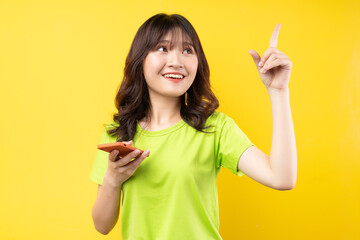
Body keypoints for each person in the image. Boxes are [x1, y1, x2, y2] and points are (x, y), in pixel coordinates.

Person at [90, 13, 297, 239]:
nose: (177, 61)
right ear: (140, 60)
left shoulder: (215, 128)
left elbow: (282, 178)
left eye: (188, 50)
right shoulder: (119, 133)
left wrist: (278, 91)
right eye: (162, 48)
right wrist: (112, 179)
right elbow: (102, 225)